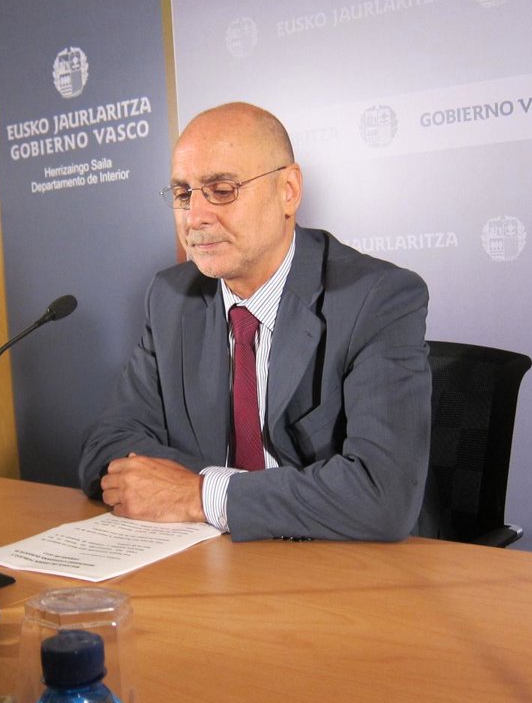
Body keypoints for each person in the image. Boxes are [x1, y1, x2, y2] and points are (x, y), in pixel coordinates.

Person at [77, 102, 430, 541]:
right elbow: (106, 445)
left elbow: (383, 495)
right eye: (183, 194)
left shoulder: (377, 297)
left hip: (341, 562)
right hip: (215, 555)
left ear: (288, 191)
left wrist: (199, 495)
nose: (195, 217)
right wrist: (201, 495)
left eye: (222, 190)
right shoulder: (171, 297)